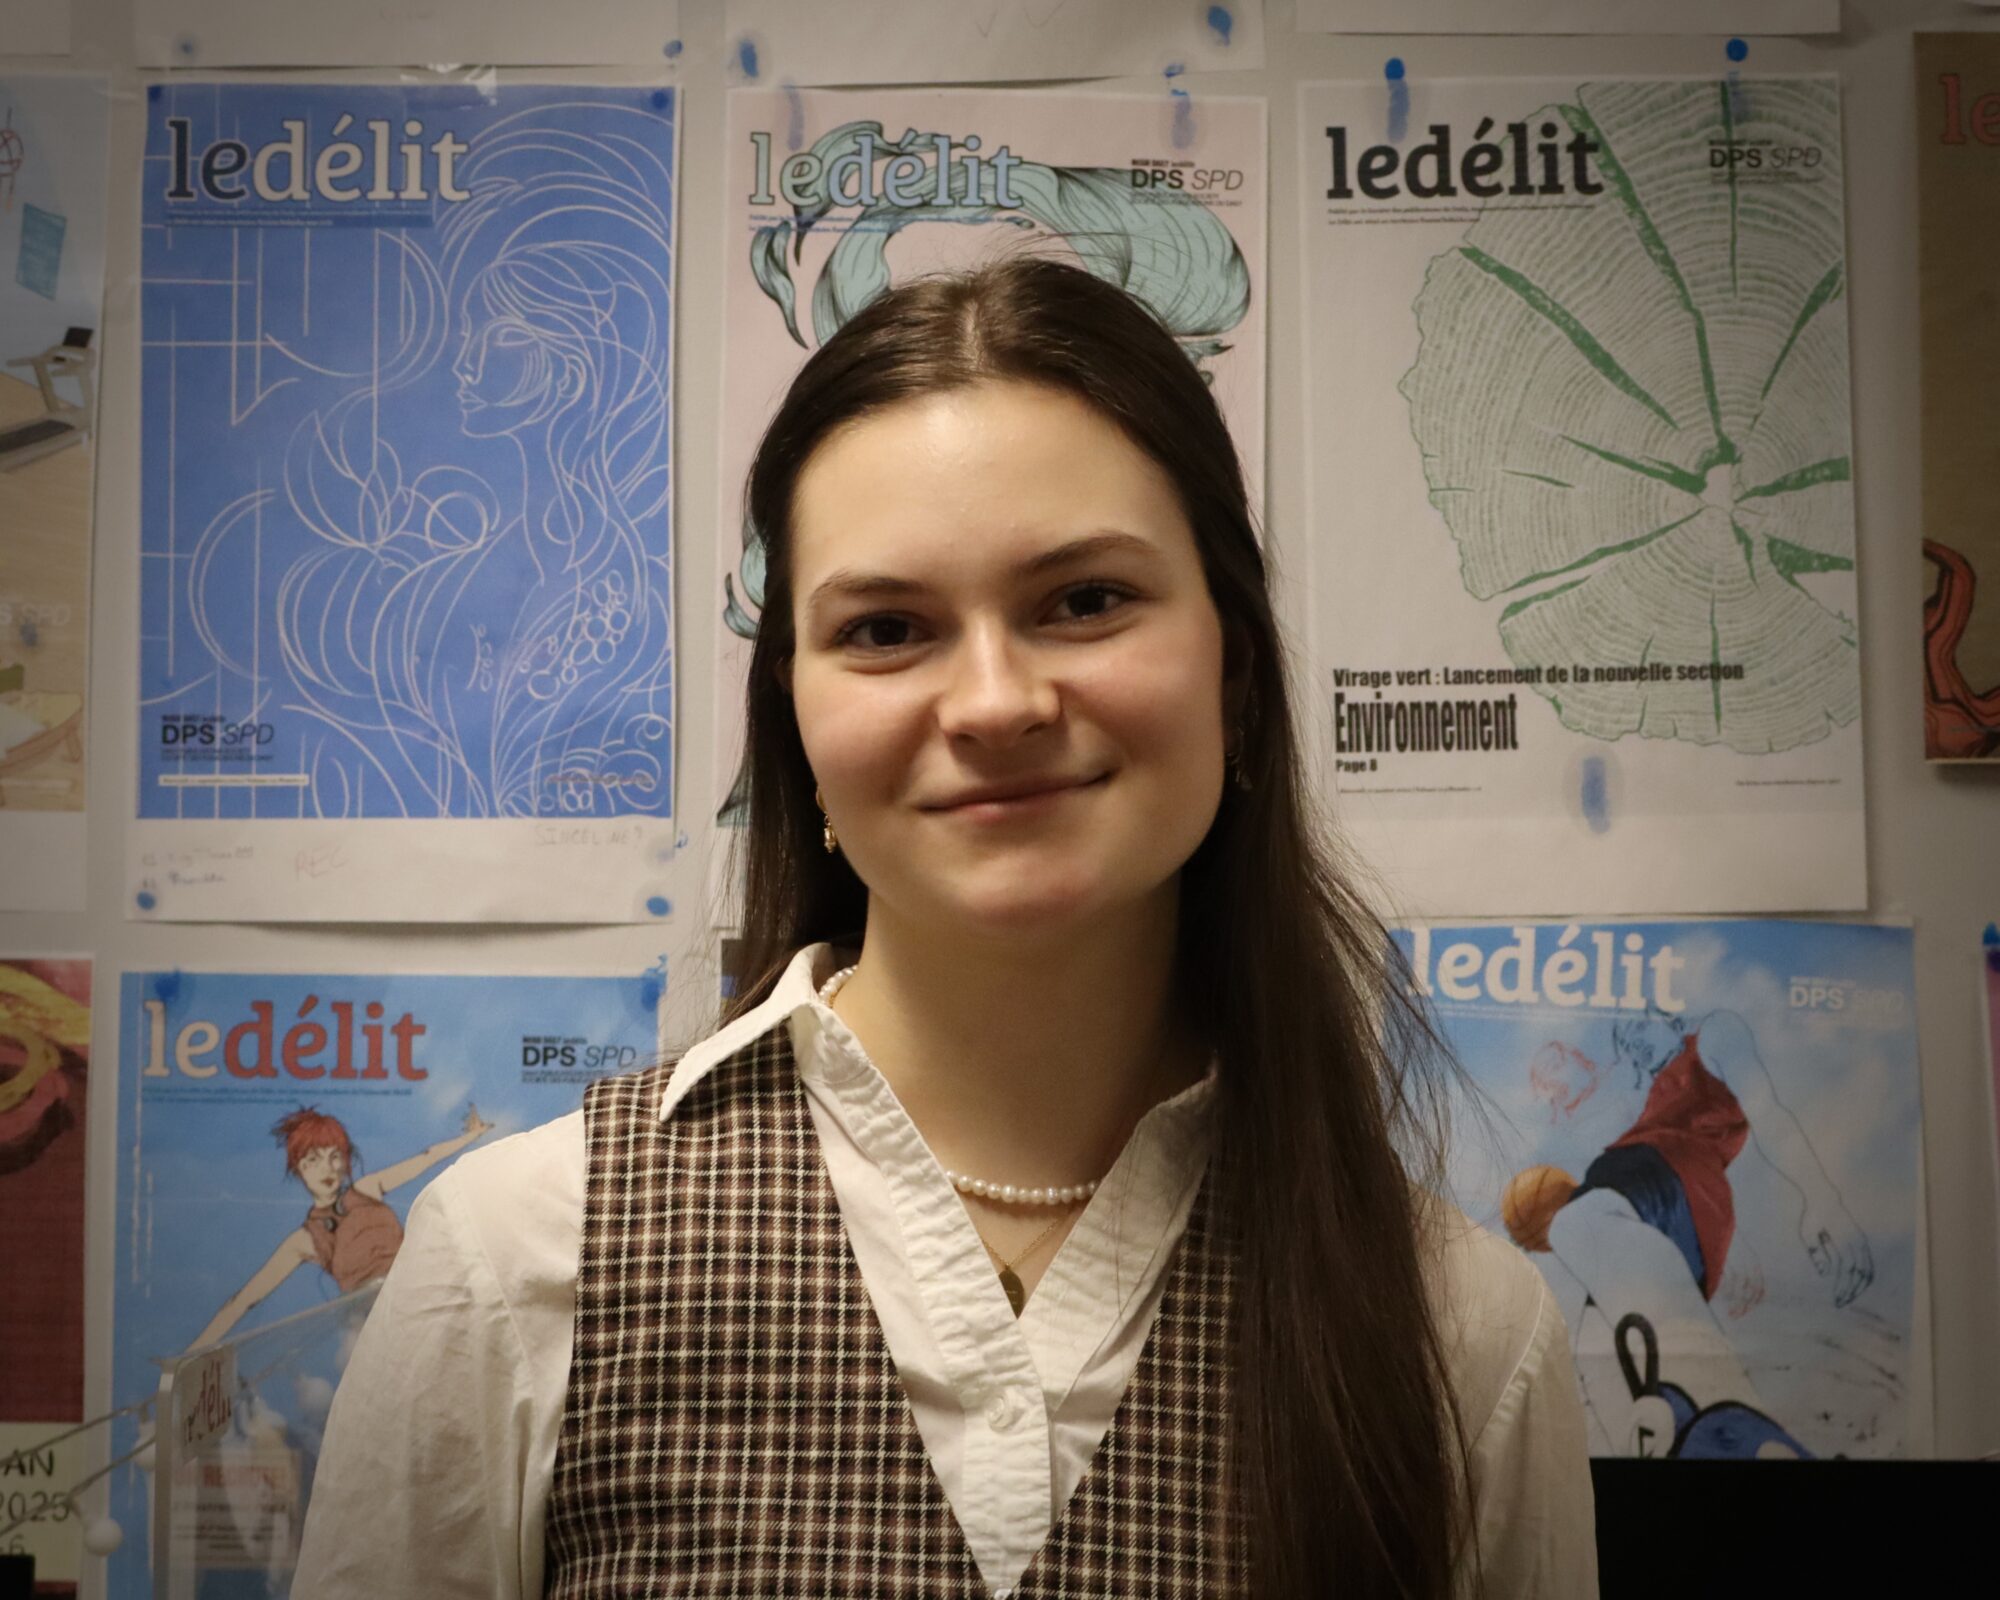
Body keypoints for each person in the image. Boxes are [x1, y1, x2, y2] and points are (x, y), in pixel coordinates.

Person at [294, 256, 1596, 1597]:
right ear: (795, 723)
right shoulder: (519, 1257)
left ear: (1237, 673)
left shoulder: (1458, 1336)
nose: (993, 702)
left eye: (1084, 601)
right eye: (886, 628)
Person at [185, 1104, 494, 1352]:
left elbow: (427, 1159)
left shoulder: (367, 1189)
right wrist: (190, 1356)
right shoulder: (306, 1240)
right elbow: (246, 1299)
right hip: (374, 1326)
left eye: (335, 1157)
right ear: (298, 1168)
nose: (328, 1168)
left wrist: (471, 1137)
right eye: (313, 1159)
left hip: (422, 1302)